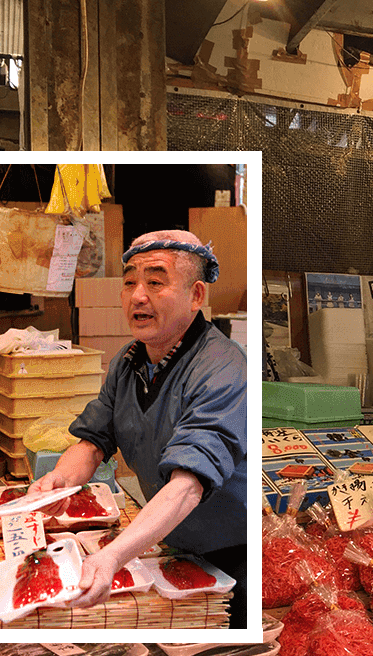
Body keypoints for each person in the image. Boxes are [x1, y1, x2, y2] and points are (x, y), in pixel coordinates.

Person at [29, 230, 249, 627]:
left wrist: (113, 555)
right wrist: (60, 480)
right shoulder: (127, 362)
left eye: (156, 281)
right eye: (129, 282)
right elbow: (94, 441)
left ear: (196, 295)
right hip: (171, 541)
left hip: (236, 553)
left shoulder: (224, 367)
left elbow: (188, 485)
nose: (138, 296)